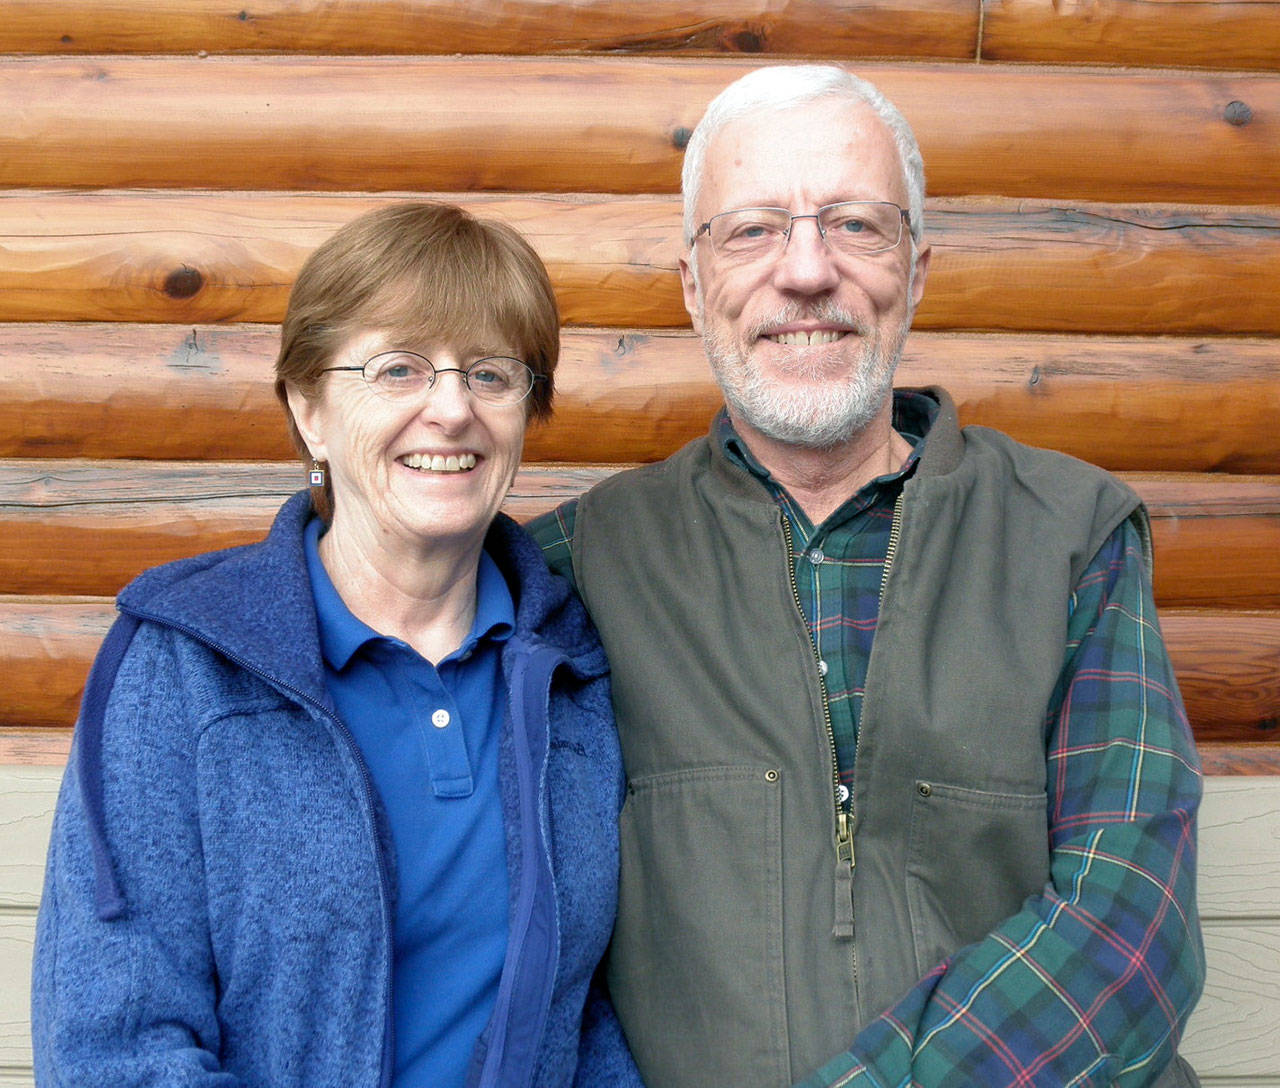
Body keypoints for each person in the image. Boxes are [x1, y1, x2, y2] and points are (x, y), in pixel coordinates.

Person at [529, 65, 1204, 1086]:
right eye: (751, 229)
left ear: (916, 270)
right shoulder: (576, 569)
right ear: (690, 284)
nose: (805, 270)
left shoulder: (1069, 534)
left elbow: (1128, 930)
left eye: (854, 225)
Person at [32, 201, 640, 1087]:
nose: (451, 410)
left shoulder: (571, 667)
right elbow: (113, 1047)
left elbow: (584, 1022)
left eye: (490, 374)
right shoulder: (181, 665)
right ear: (308, 409)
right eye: (398, 370)